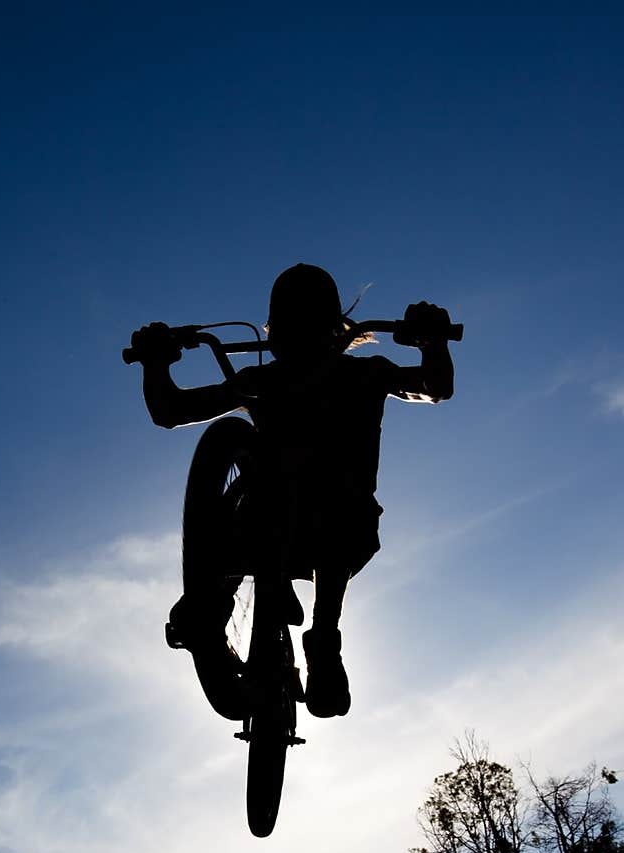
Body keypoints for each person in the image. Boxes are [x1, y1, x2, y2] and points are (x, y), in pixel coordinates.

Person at [130, 264, 454, 718]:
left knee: (331, 510)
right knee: (247, 503)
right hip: (268, 521)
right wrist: (155, 363)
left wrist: (431, 343)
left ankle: (323, 639)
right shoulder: (262, 382)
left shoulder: (364, 374)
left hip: (341, 521)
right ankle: (215, 607)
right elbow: (170, 411)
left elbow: (434, 386)